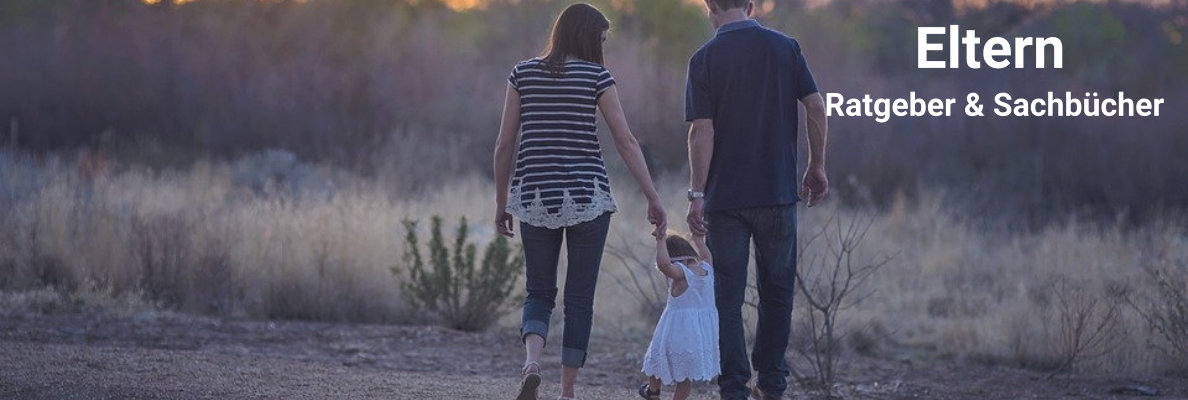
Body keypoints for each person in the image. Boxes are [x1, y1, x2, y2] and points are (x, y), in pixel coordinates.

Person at [492, 3, 667, 400]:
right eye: (601, 39)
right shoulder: (596, 76)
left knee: (538, 291)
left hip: (535, 195)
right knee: (579, 298)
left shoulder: (522, 73)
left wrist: (502, 201)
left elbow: (504, 144)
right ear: (588, 37)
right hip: (588, 197)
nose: (602, 47)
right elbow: (625, 140)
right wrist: (653, 197)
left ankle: (532, 363)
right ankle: (567, 391)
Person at [683, 1, 830, 399]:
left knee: (726, 297)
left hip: (724, 199)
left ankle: (733, 387)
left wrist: (697, 194)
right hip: (777, 194)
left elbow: (701, 131)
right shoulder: (786, 48)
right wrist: (817, 165)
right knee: (777, 292)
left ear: (710, 6)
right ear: (750, 4)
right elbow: (816, 105)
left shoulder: (704, 59)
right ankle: (771, 384)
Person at [638, 231, 719, 400]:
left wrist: (660, 241)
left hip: (676, 332)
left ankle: (653, 392)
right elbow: (706, 255)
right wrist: (699, 240)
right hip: (698, 337)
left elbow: (663, 265)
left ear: (675, 259)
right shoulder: (707, 269)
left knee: (656, 361)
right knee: (685, 376)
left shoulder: (682, 274)